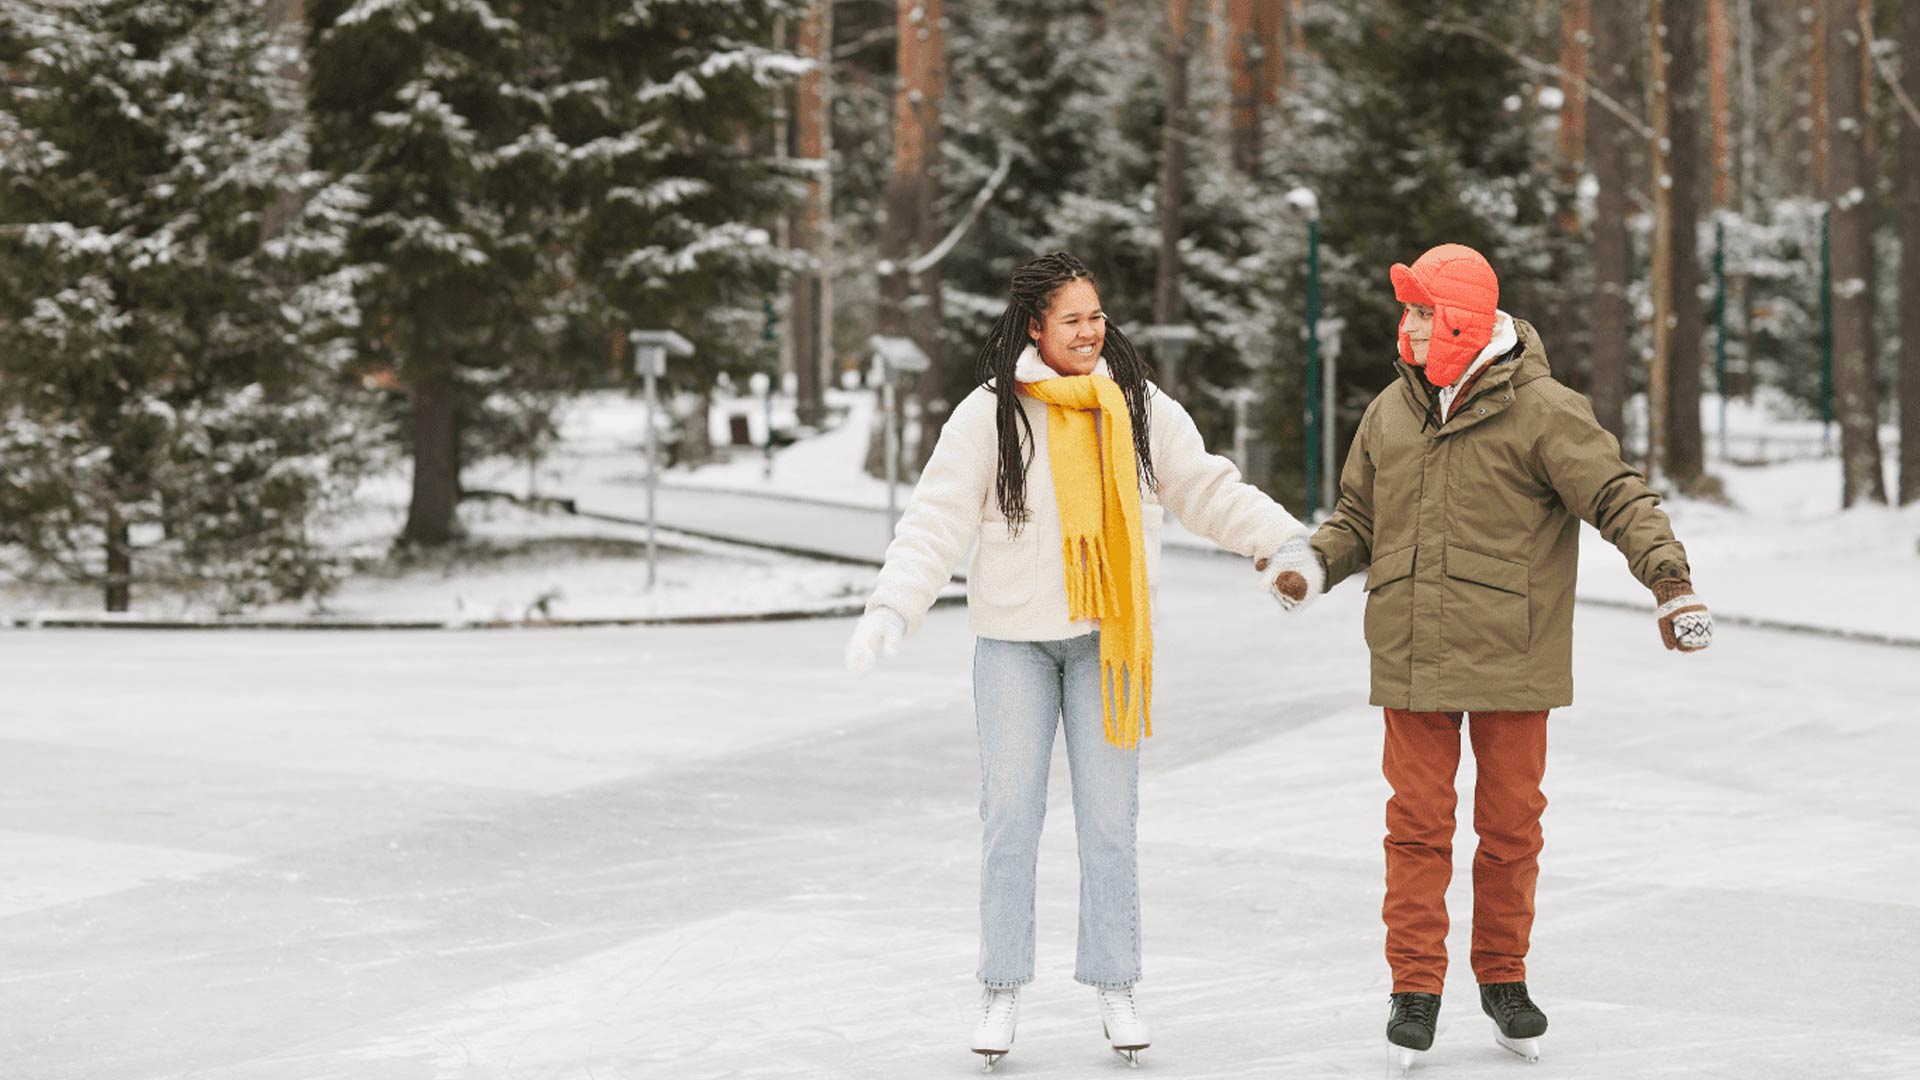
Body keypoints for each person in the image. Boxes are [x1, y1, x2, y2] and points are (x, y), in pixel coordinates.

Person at [1255, 243, 1714, 1076]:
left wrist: (1670, 582)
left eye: (1425, 313)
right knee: (1416, 829)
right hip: (1412, 650)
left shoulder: (1544, 410)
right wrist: (1312, 564)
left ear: (1463, 321)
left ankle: (1503, 977)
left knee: (1509, 830)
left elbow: (1617, 495)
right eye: (1410, 312)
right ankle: (1415, 989)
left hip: (1513, 654)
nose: (1410, 326)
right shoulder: (1389, 413)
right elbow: (1358, 516)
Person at [845, 251, 1310, 1069]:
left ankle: (1115, 982)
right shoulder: (990, 415)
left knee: (1108, 825)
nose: (1091, 331)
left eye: (1097, 316)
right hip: (1015, 648)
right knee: (1010, 823)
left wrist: (1285, 541)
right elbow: (935, 519)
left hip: (1108, 644)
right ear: (1035, 327)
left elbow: (1206, 487)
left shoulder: (1137, 406)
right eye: (1073, 320)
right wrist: (894, 603)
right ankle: (1000, 986)